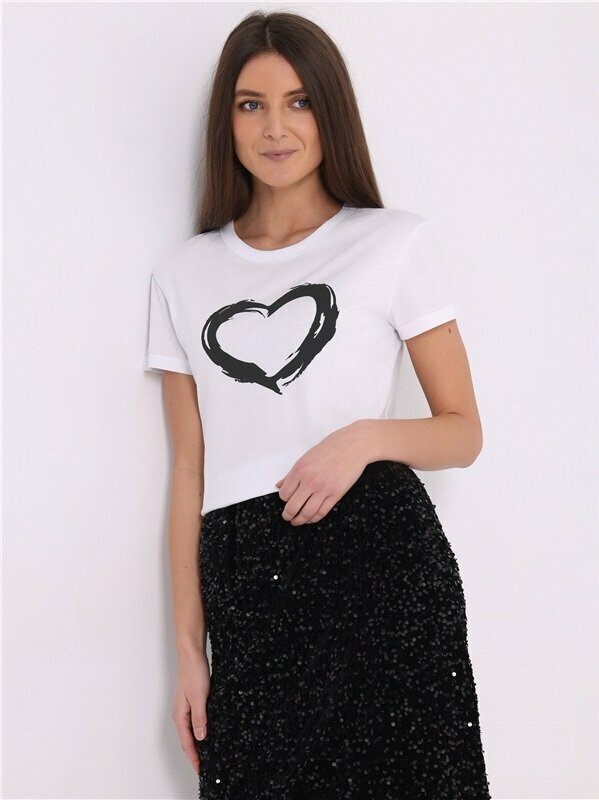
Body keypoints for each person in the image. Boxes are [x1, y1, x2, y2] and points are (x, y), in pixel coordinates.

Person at [144, 10, 492, 800]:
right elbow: (189, 471)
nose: (275, 127)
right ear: (226, 120)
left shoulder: (394, 242)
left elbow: (463, 433)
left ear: (329, 111)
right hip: (246, 577)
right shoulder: (183, 275)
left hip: (379, 560)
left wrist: (362, 438)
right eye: (251, 104)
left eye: (298, 101)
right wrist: (190, 654)